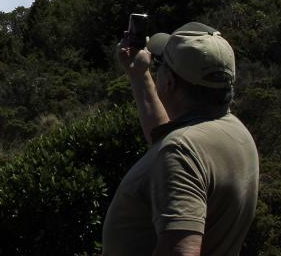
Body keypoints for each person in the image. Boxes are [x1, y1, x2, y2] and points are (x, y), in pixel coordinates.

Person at [102, 22, 259, 256]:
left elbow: (182, 251)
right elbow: (168, 137)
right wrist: (139, 75)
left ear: (169, 82)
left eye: (161, 65)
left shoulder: (181, 151)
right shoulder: (232, 131)